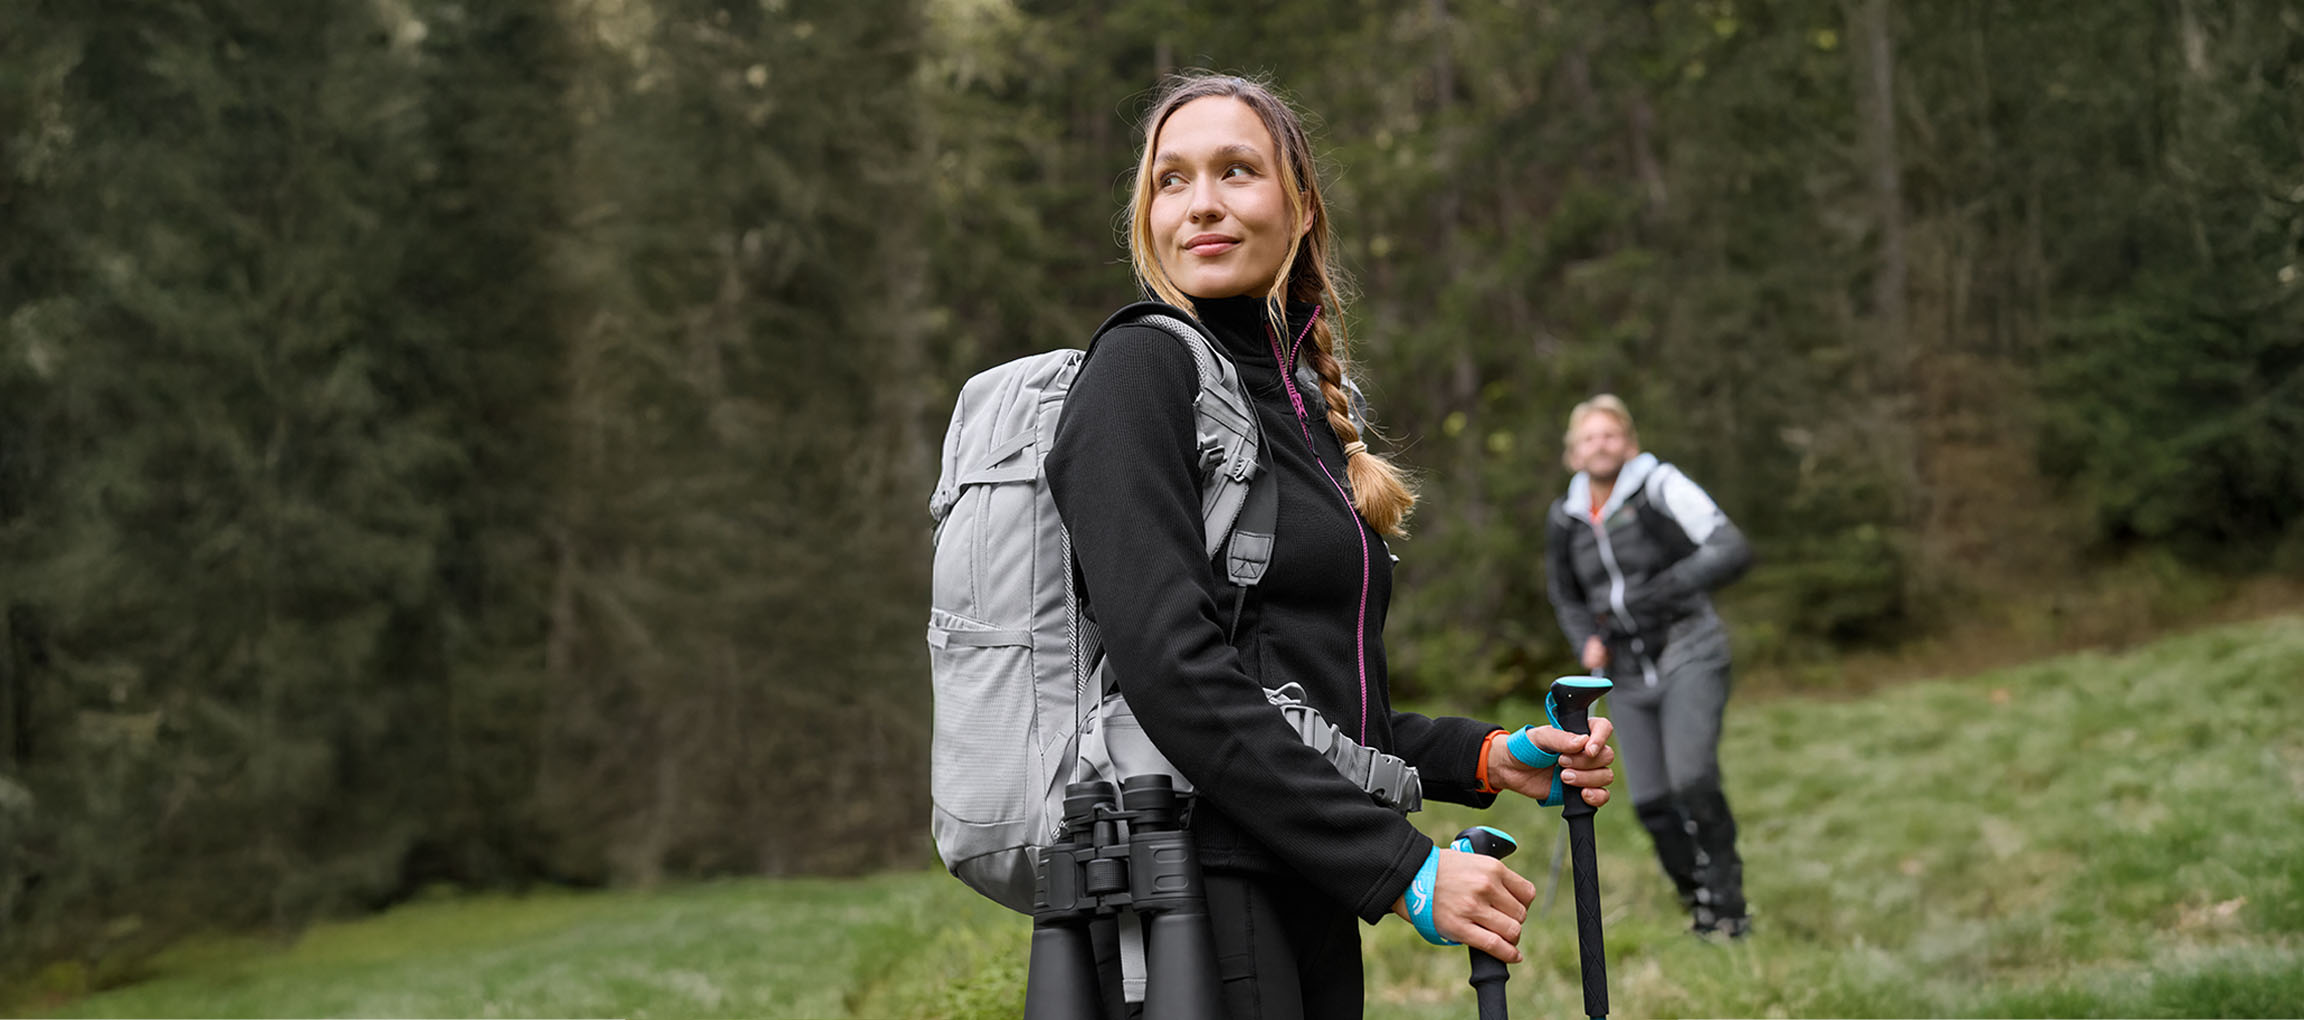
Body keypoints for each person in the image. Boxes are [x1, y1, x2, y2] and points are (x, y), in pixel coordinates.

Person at [1046, 72, 1617, 1017]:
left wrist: (1487, 757)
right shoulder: (1139, 371)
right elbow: (1175, 675)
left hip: (1293, 878)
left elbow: (1303, 696)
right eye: (1173, 180)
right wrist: (1402, 870)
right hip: (1190, 891)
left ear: (1301, 205)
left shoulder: (1295, 402)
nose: (1204, 205)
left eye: (1238, 171)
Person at [1543, 394, 1754, 938]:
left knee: (1693, 777)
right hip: (1626, 672)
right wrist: (1585, 637)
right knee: (1652, 801)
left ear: (1629, 443)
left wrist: (1655, 596)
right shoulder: (1564, 518)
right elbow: (1565, 595)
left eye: (1610, 434)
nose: (1601, 444)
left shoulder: (1660, 486)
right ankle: (1698, 900)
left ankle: (1729, 904)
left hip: (1689, 646)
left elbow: (1729, 548)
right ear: (1573, 454)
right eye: (1589, 437)